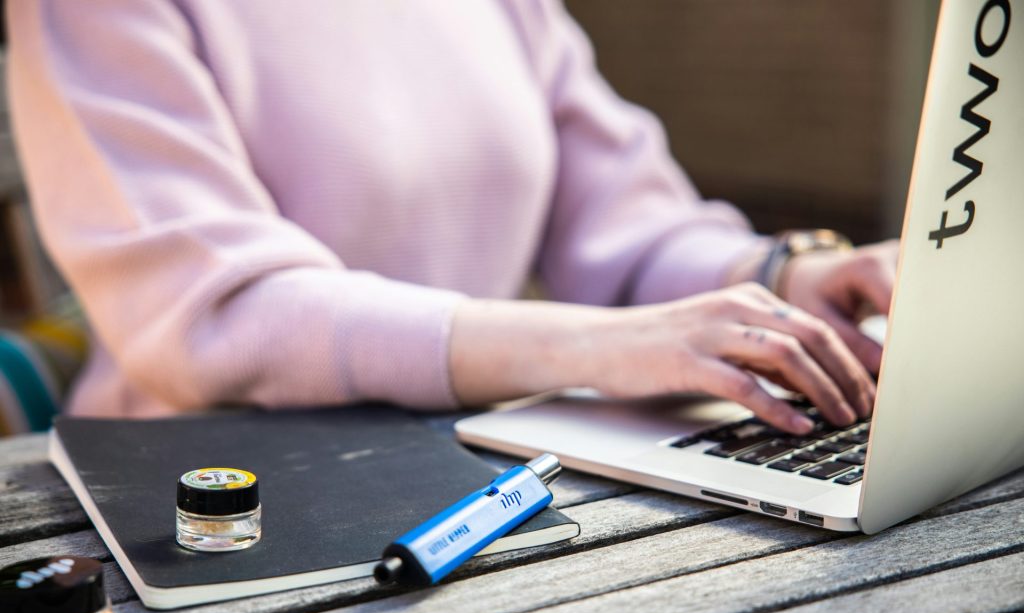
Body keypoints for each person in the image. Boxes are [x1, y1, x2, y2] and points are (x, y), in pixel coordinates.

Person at [7, 1, 896, 434]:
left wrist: (782, 281)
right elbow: (220, 316)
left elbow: (627, 227)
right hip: (211, 506)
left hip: (480, 461)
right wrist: (595, 346)